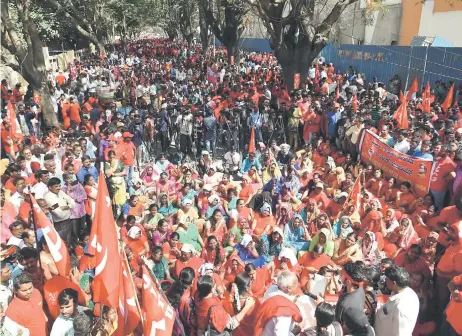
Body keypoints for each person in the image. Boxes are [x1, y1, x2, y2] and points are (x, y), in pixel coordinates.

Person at [254, 271, 303, 335]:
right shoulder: (285, 310)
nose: (297, 286)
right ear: (289, 288)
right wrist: (293, 333)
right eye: (296, 284)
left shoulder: (271, 289)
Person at [375, 265, 419, 336]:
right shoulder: (402, 291)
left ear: (394, 283)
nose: (386, 282)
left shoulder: (401, 308)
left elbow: (401, 333)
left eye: (387, 280)